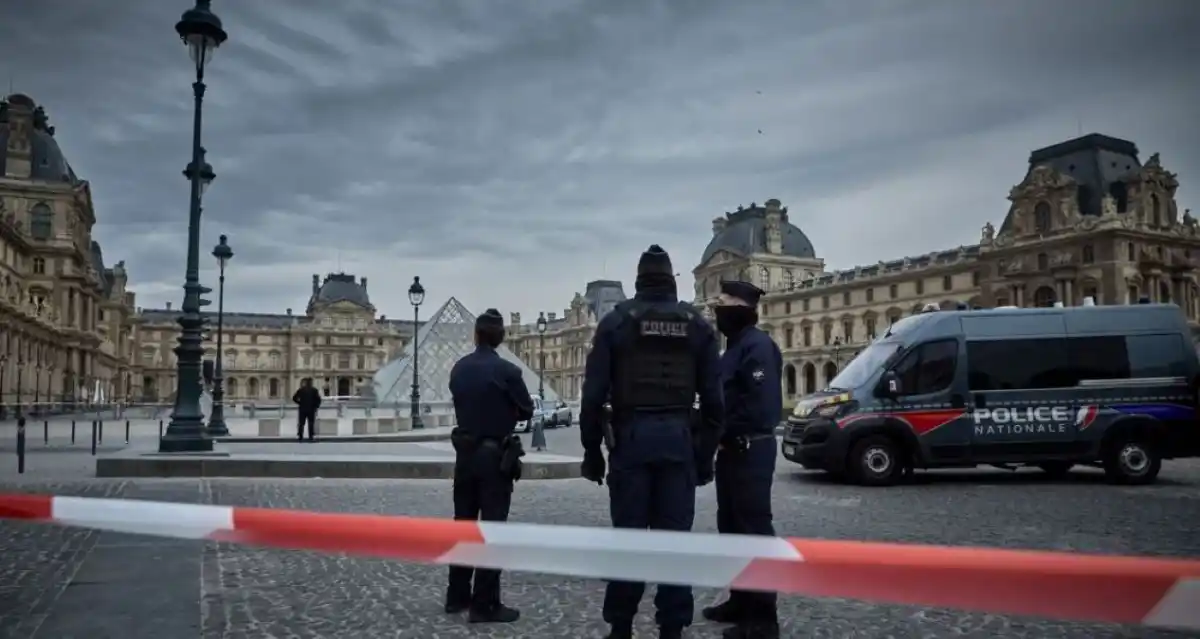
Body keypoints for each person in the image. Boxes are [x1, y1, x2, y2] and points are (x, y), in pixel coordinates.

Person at [579, 244, 724, 639]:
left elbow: (592, 398)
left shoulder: (617, 322)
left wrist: (593, 453)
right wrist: (705, 456)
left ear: (639, 281)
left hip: (630, 442)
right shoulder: (697, 325)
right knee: (675, 544)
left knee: (627, 541)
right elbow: (715, 403)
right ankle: (672, 629)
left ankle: (622, 627)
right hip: (679, 442)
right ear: (672, 281)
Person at [701, 280, 783, 639]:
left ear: (742, 309)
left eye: (723, 305)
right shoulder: (733, 348)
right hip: (732, 451)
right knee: (731, 529)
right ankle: (741, 599)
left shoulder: (758, 347)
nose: (717, 312)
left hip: (750, 448)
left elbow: (762, 407)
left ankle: (763, 617)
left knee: (754, 530)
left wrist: (727, 429)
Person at [445, 308, 535, 624]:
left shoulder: (459, 368)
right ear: (501, 338)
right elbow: (526, 410)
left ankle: (456, 597)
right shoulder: (508, 371)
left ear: (476, 335)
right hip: (495, 457)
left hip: (464, 455)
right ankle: (484, 605)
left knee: (463, 525)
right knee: (492, 530)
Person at [291, 378, 321, 442]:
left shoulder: (301, 390)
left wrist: (299, 403)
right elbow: (318, 400)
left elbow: (294, 398)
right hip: (311, 409)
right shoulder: (314, 390)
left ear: (305, 383)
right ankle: (311, 437)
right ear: (311, 383)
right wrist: (315, 406)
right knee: (311, 423)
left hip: (302, 409)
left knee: (301, 423)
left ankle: (300, 437)